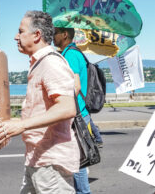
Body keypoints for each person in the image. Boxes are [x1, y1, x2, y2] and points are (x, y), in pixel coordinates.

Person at [0, 11, 79, 193]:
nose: (16, 36)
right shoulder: (38, 64)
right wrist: (12, 125)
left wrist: (22, 125)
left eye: (21, 31)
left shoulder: (51, 63)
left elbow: (67, 107)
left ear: (37, 35)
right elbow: (41, 112)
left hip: (51, 163)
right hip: (37, 160)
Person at [54, 27, 104, 194]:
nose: (53, 36)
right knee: (76, 159)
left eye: (55, 32)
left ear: (64, 35)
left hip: (76, 114)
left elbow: (74, 86)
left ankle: (83, 192)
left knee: (77, 161)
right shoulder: (75, 53)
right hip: (80, 112)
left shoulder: (70, 55)